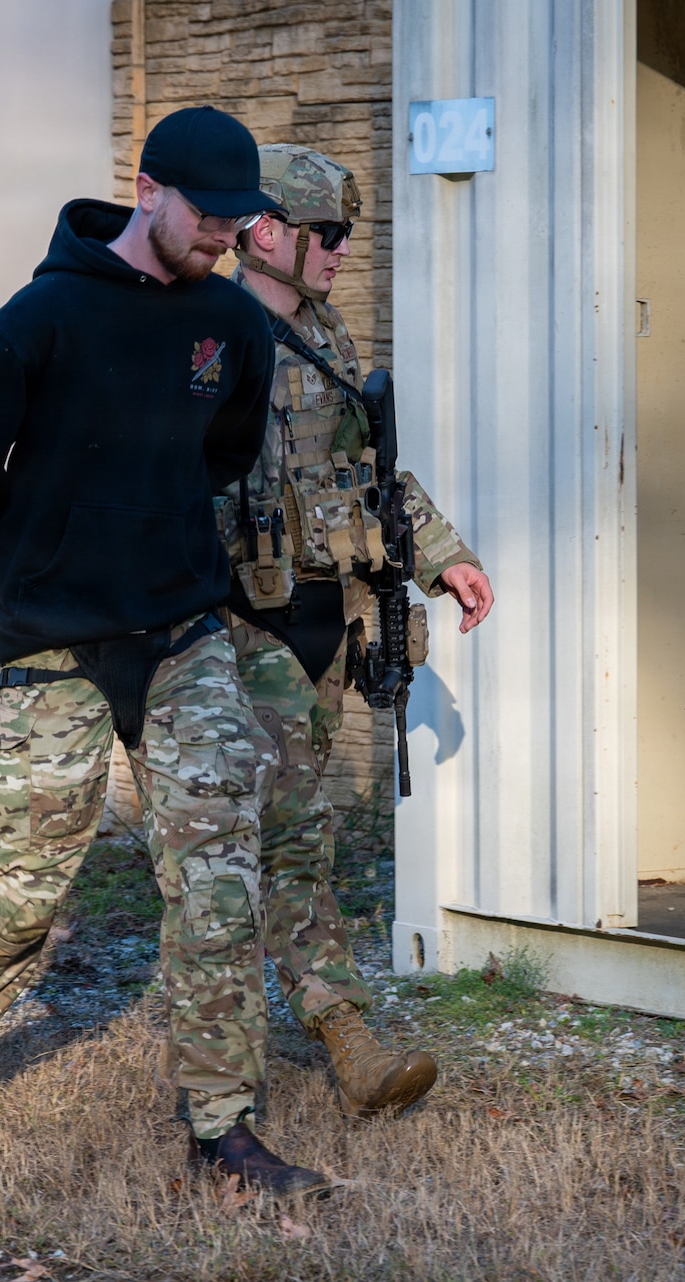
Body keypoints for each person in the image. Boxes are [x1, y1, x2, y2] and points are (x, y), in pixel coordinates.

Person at [0, 108, 326, 1195]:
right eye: (204, 219)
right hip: (56, 641)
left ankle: (221, 1127)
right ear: (147, 191)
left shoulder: (232, 324)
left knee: (216, 877)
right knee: (33, 876)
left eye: (238, 225)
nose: (221, 240)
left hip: (183, 635)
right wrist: (42, 534)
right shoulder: (41, 317)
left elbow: (224, 450)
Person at [222, 144, 494, 1115]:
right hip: (229, 631)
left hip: (319, 623)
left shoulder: (328, 336)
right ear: (263, 233)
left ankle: (336, 1040)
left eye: (346, 234)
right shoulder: (205, 340)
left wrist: (439, 553)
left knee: (294, 839)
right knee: (247, 847)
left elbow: (372, 478)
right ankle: (296, 1053)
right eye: (323, 233)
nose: (339, 250)